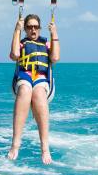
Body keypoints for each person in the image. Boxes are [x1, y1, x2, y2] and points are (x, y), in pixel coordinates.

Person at [7, 13, 59, 164]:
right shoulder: (22, 43)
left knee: (39, 94)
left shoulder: (47, 44)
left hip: (42, 79)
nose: (33, 30)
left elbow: (55, 58)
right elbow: (15, 55)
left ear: (40, 28)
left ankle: (45, 148)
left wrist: (54, 33)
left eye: (36, 27)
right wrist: (16, 31)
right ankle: (15, 144)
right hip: (24, 77)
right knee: (25, 90)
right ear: (25, 29)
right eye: (29, 27)